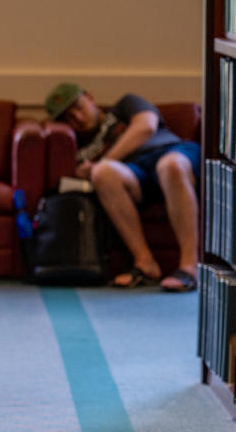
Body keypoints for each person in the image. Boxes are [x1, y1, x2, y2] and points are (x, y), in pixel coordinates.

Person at [45, 82, 200, 292]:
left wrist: (105, 159)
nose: (78, 119)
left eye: (79, 108)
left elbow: (146, 126)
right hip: (136, 175)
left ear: (90, 98)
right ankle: (145, 263)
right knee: (103, 174)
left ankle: (189, 267)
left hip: (171, 151)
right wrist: (86, 172)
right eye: (69, 118)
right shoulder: (78, 147)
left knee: (169, 166)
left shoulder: (125, 105)